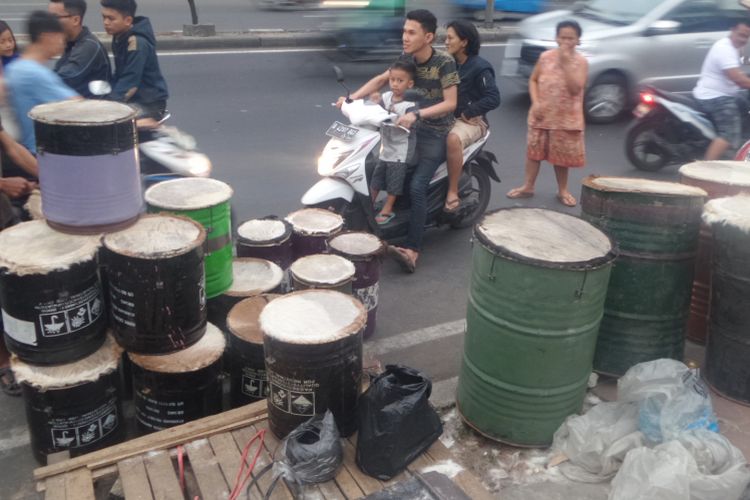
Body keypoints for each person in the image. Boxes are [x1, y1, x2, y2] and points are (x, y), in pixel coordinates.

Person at [337, 9, 458, 273]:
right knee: (373, 164)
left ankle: (413, 249)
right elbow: (382, 79)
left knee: (416, 187)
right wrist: (350, 100)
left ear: (427, 37)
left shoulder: (444, 62)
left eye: (411, 32)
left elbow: (451, 103)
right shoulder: (406, 57)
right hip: (402, 127)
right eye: (404, 31)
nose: (405, 36)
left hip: (433, 132)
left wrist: (417, 114)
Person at [506, 20, 588, 208]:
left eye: (571, 38)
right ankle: (528, 186)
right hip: (541, 115)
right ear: (556, 38)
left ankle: (563, 190)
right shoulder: (545, 57)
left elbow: (576, 88)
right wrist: (536, 103)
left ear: (578, 41)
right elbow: (533, 80)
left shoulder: (581, 62)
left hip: (566, 119)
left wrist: (566, 61)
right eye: (563, 37)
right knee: (533, 153)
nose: (566, 41)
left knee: (561, 157)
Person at [443, 19, 500, 213]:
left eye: (450, 38)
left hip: (472, 122)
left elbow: (493, 98)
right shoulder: (449, 63)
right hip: (448, 118)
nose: (445, 41)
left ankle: (452, 191)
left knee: (452, 140)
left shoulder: (479, 67)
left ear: (464, 42)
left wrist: (469, 111)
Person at [100, 0, 169, 120]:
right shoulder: (119, 36)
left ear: (128, 21)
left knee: (109, 121)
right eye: (104, 17)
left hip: (149, 104)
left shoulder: (136, 43)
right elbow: (120, 74)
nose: (106, 22)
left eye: (111, 19)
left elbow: (130, 83)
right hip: (134, 99)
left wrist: (110, 104)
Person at [693, 19, 750, 161]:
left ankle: (735, 146)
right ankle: (706, 170)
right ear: (732, 31)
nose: (743, 39)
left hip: (722, 93)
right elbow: (737, 79)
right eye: (740, 35)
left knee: (743, 104)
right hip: (716, 97)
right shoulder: (725, 49)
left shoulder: (732, 46)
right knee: (728, 134)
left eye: (746, 36)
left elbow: (741, 68)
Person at [370, 60, 418, 224]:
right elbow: (377, 112)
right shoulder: (386, 97)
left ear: (410, 84)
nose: (395, 84)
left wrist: (405, 120)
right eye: (392, 80)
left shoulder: (410, 104)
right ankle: (369, 203)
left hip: (401, 151)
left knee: (394, 181)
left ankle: (388, 207)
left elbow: (413, 121)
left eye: (400, 81)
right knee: (377, 177)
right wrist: (375, 102)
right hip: (386, 147)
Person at [49, 0, 111, 97]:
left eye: (54, 18)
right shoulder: (71, 43)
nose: (48, 23)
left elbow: (65, 78)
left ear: (76, 20)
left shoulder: (88, 46)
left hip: (94, 108)